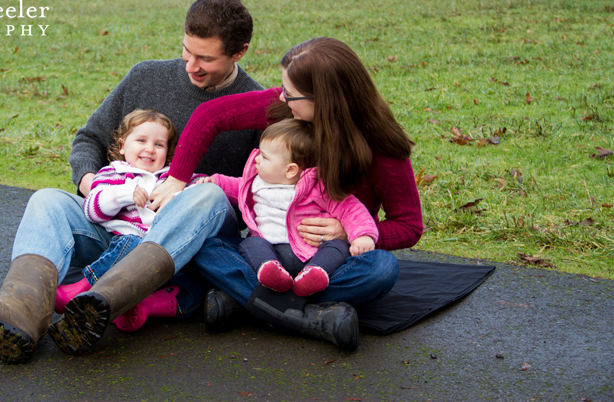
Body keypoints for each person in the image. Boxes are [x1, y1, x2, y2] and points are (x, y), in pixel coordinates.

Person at [0, 0, 264, 364]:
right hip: (118, 224)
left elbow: (264, 191)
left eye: (206, 59)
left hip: (186, 245)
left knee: (209, 196)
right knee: (47, 200)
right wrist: (90, 185)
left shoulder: (256, 103)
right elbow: (90, 138)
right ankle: (19, 314)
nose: (191, 66)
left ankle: (102, 304)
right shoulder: (145, 77)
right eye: (186, 51)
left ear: (239, 53)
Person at [151, 37, 423, 351]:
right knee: (202, 245)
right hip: (268, 254)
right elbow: (210, 115)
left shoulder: (381, 147)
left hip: (329, 261)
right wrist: (176, 179)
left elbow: (409, 226)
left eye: (290, 94)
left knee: (382, 269)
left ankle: (246, 300)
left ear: (324, 99)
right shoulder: (285, 111)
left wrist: (349, 233)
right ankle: (310, 317)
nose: (282, 97)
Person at [54, 109, 204, 333]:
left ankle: (141, 308)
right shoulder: (113, 174)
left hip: (166, 256)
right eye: (141, 140)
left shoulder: (172, 176)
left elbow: (195, 189)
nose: (149, 149)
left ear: (168, 153)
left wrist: (204, 184)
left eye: (159, 145)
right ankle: (83, 288)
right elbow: (93, 209)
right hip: (126, 249)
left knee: (197, 286)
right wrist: (124, 194)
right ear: (123, 145)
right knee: (132, 245)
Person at [199, 118, 379, 298]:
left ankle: (314, 275)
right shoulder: (255, 183)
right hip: (270, 250)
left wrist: (362, 235)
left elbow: (351, 208)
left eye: (264, 156)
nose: (256, 159)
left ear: (290, 170)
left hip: (312, 254)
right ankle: (270, 271)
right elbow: (235, 186)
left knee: (339, 246)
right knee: (250, 243)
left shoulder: (319, 188)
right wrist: (215, 182)